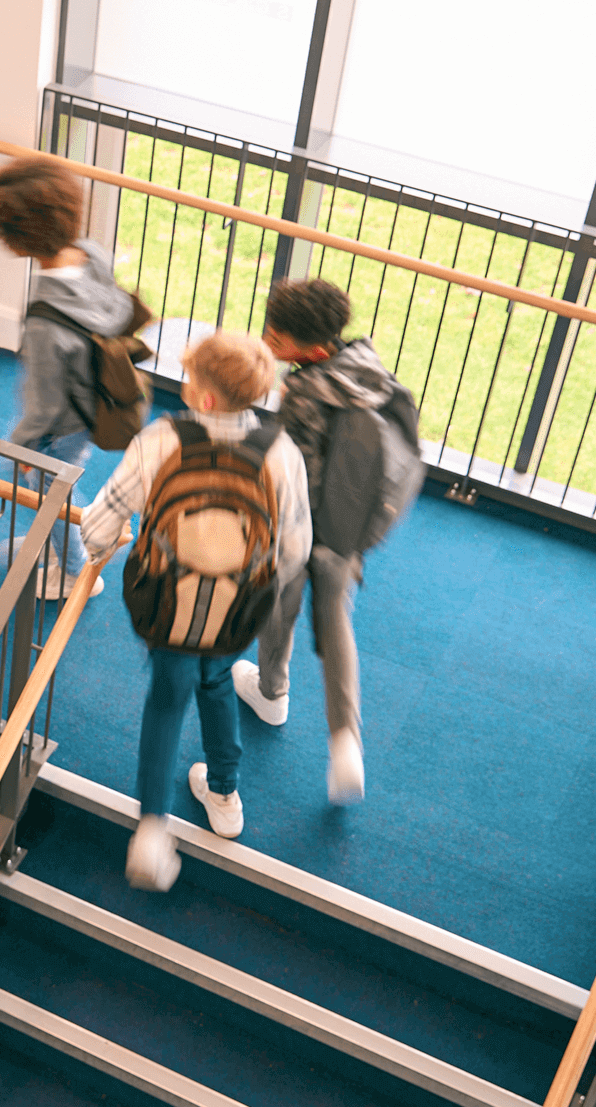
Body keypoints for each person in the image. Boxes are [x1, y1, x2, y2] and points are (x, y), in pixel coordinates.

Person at [80, 331, 310, 891]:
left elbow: (101, 521)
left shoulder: (161, 439)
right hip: (236, 614)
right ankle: (225, 794)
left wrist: (95, 546)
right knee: (218, 683)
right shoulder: (282, 452)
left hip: (168, 610)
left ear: (204, 398)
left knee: (166, 702)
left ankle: (152, 829)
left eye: (190, 380)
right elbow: (295, 549)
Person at [234, 279, 397, 805]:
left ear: (306, 349)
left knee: (280, 606)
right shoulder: (366, 366)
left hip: (302, 526)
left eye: (273, 335)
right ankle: (346, 740)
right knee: (334, 621)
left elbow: (289, 464)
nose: (265, 338)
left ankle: (272, 691)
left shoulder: (304, 392)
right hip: (348, 530)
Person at [0, 156, 140, 600]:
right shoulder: (93, 255)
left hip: (64, 422)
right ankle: (64, 549)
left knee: (49, 493)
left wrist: (19, 448)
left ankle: (73, 573)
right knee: (58, 481)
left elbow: (44, 405)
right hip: (97, 400)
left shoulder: (45, 321)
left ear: (17, 238)